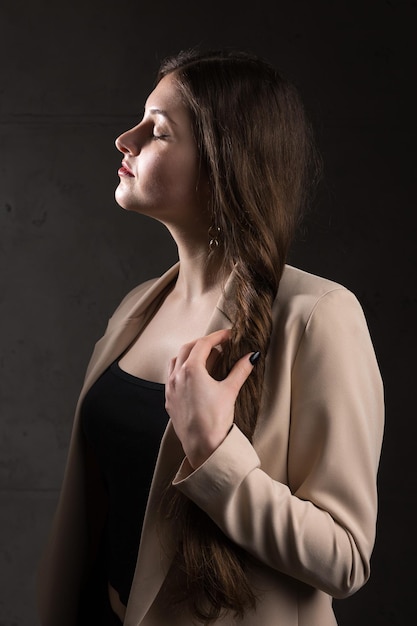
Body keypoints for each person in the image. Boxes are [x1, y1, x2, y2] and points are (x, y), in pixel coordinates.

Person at [37, 49, 384, 626]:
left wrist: (216, 454)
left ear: (224, 164)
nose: (126, 138)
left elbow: (345, 558)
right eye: (138, 120)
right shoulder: (136, 307)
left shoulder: (318, 316)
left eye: (158, 130)